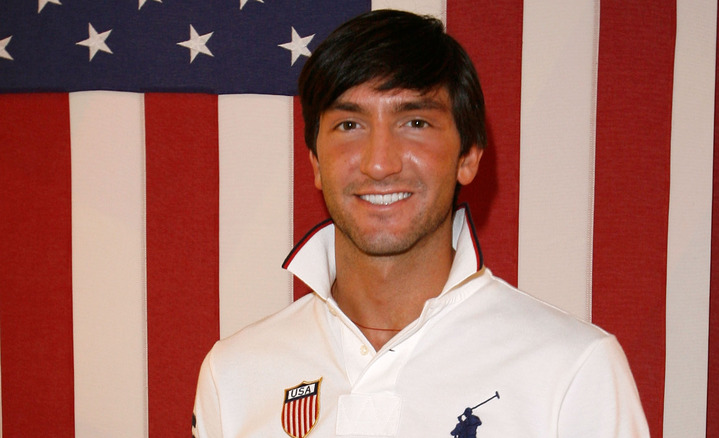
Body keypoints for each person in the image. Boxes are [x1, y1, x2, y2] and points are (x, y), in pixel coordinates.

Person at [192, 9, 649, 438]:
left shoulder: (573, 371)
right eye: (349, 125)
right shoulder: (232, 375)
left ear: (468, 156)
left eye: (414, 121)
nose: (379, 163)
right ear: (315, 161)